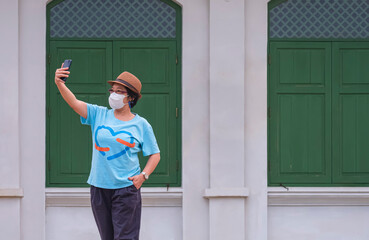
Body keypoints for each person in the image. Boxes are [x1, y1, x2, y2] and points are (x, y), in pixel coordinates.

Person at [55, 63, 161, 240]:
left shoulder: (141, 124)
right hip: (99, 188)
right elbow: (74, 103)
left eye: (119, 91)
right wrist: (60, 83)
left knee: (125, 237)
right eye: (112, 90)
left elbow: (155, 154)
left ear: (131, 98)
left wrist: (143, 176)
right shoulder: (99, 114)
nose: (114, 94)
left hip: (126, 189)